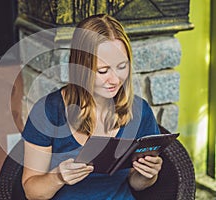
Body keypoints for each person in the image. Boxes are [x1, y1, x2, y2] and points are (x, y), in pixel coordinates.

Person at [20, 14, 163, 200]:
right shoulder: (48, 111)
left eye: (122, 66)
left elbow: (136, 183)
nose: (115, 80)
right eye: (103, 71)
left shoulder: (139, 111)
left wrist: (147, 175)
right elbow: (32, 192)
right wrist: (58, 177)